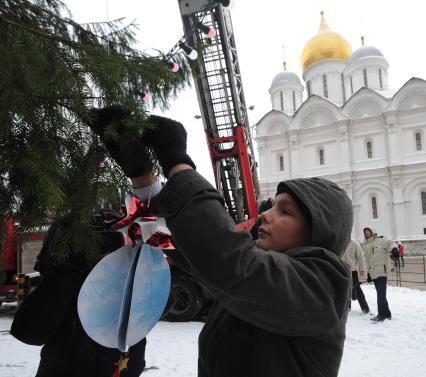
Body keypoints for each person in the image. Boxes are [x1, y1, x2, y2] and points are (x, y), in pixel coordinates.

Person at [90, 108, 353, 377]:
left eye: (285, 211)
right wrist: (143, 180)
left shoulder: (324, 284)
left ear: (318, 230)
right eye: (273, 206)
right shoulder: (262, 271)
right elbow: (195, 252)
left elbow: (228, 259)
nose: (264, 214)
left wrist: (178, 165)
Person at [10, 212, 147, 375]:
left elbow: (162, 302)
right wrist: (68, 273)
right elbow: (27, 332)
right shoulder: (66, 287)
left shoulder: (127, 292)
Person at [361, 227, 393, 322]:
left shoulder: (381, 240)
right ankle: (387, 314)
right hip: (374, 273)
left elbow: (391, 243)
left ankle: (381, 315)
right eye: (365, 232)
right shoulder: (365, 245)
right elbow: (367, 261)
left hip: (382, 271)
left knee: (380, 295)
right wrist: (369, 274)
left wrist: (394, 250)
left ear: (372, 232)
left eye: (368, 231)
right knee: (381, 294)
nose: (367, 233)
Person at [341, 240, 370, 313]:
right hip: (341, 269)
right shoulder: (340, 242)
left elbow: (360, 257)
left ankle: (365, 308)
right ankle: (347, 307)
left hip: (352, 270)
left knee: (357, 288)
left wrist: (362, 269)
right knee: (344, 289)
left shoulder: (354, 243)